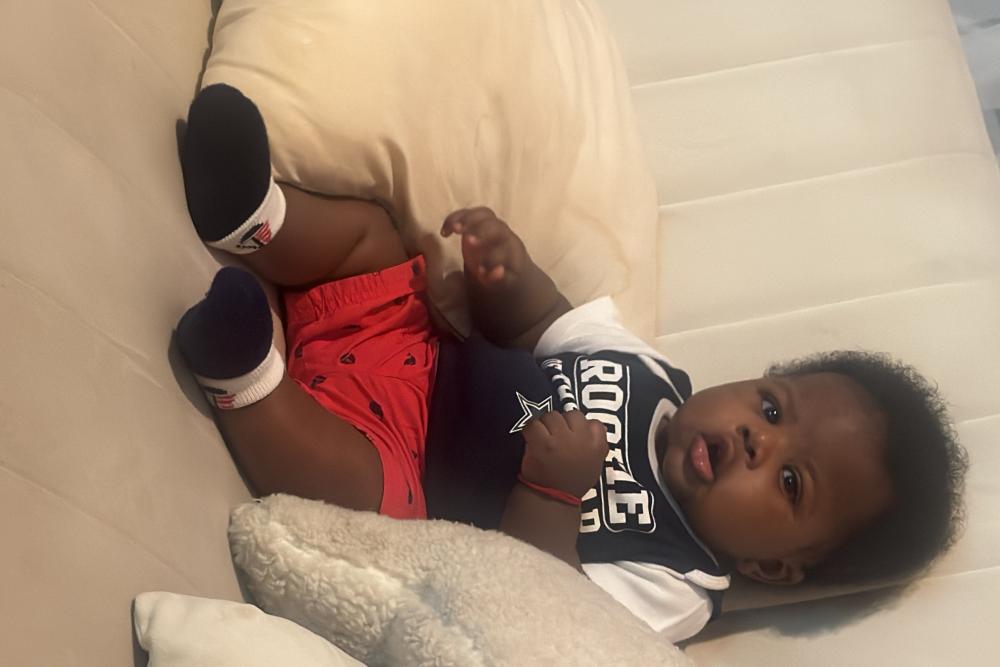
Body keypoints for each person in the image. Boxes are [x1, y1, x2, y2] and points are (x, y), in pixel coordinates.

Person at [175, 84, 968, 642]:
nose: (757, 440)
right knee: (375, 241)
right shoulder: (650, 373)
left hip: (408, 475)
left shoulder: (675, 581)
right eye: (769, 405)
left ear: (773, 565)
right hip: (413, 349)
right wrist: (505, 275)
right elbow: (544, 324)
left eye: (791, 481)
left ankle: (244, 372)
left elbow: (536, 608)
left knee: (354, 487)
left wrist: (553, 493)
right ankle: (255, 216)